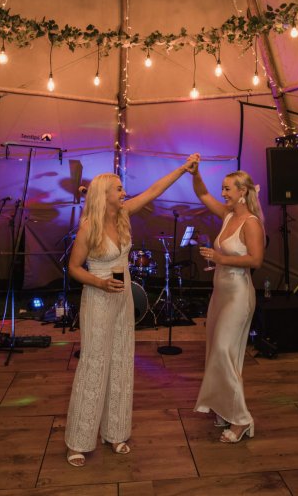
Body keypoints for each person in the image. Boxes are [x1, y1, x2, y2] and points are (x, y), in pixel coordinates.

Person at [65, 155, 199, 466]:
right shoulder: (88, 227)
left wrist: (181, 169)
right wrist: (99, 284)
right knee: (94, 365)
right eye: (119, 188)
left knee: (122, 361)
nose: (124, 192)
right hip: (98, 297)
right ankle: (79, 440)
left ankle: (116, 433)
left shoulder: (123, 214)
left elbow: (153, 191)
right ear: (105, 195)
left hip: (122, 295)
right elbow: (74, 268)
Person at [190, 162, 265, 443]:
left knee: (224, 351)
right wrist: (195, 173)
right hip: (219, 293)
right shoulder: (227, 215)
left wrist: (221, 258)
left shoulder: (251, 223)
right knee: (217, 353)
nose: (222, 193)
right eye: (222, 188)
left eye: (227, 188)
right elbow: (202, 194)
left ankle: (242, 419)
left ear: (243, 191)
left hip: (238, 294)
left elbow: (255, 261)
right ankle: (224, 408)